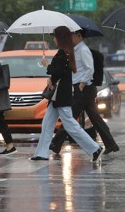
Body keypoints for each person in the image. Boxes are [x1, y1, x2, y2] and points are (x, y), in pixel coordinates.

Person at [30, 26, 104, 162]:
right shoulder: (65, 52)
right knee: (47, 123)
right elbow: (59, 73)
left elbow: (59, 71)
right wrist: (51, 79)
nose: (54, 39)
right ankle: (41, 153)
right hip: (58, 93)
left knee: (70, 124)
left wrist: (47, 65)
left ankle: (95, 148)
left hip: (63, 93)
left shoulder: (66, 53)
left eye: (55, 37)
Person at [49, 29, 119, 155]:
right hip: (84, 89)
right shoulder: (76, 50)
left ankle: (55, 143)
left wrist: (81, 85)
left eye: (72, 35)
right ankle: (111, 144)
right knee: (95, 118)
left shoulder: (83, 50)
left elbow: (89, 69)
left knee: (69, 117)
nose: (70, 38)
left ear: (79, 36)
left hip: (84, 89)